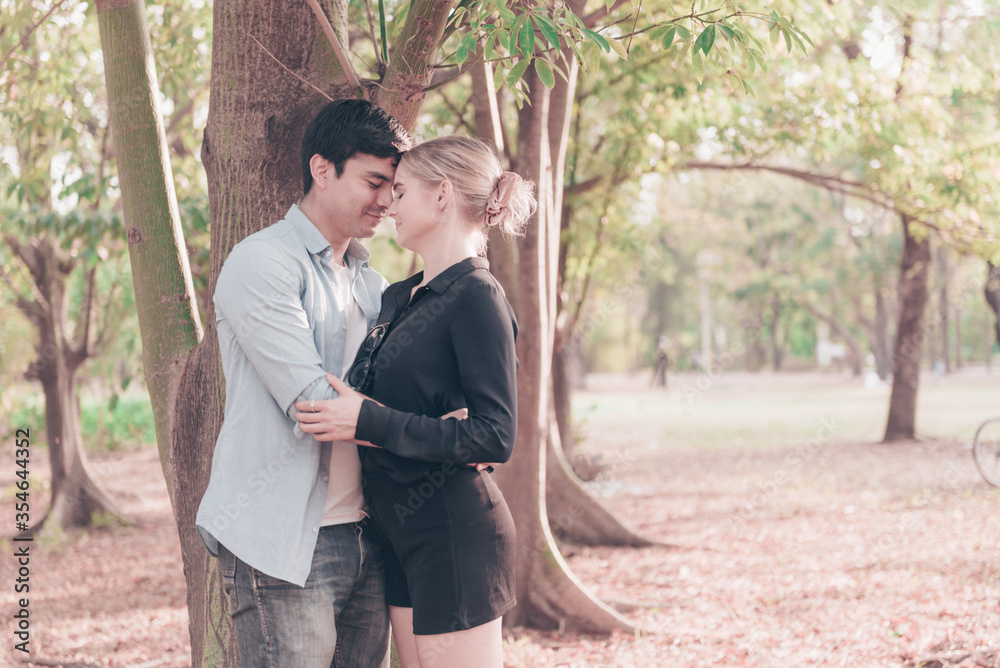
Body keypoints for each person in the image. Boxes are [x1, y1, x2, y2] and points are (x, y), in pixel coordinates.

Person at [295, 135, 536, 668]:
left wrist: (372, 421)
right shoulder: (396, 296)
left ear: (442, 195)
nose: (388, 205)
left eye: (401, 192)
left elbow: (495, 435)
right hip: (395, 533)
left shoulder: (477, 296)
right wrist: (391, 421)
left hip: (453, 532)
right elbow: (381, 405)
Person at [195, 98, 411, 667]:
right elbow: (316, 407)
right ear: (322, 169)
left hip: (367, 533)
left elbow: (392, 399)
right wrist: (426, 429)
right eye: (373, 182)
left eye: (393, 187)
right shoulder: (262, 263)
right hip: (286, 541)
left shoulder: (373, 285)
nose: (386, 201)